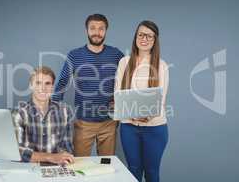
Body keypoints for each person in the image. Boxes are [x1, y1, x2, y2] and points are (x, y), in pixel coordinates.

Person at [53, 14, 124, 156]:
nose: (97, 32)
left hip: (109, 122)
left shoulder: (116, 55)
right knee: (80, 166)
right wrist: (52, 110)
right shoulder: (74, 55)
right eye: (93, 28)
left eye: (101, 29)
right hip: (84, 122)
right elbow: (62, 82)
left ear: (106, 31)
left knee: (106, 166)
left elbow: (128, 80)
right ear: (86, 30)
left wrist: (121, 101)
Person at [115, 20, 169, 182]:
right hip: (129, 127)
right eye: (141, 34)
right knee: (133, 171)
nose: (144, 39)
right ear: (135, 37)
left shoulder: (161, 65)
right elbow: (117, 92)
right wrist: (131, 115)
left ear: (154, 40)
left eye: (149, 36)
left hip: (154, 127)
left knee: (152, 172)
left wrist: (146, 115)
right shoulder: (124, 62)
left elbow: (161, 98)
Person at [13, 66, 75, 165]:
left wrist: (64, 156)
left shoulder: (65, 111)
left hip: (57, 168)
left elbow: (67, 147)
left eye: (47, 83)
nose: (43, 88)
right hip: (29, 169)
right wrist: (50, 157)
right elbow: (16, 152)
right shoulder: (19, 113)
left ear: (52, 87)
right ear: (31, 85)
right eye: (38, 83)